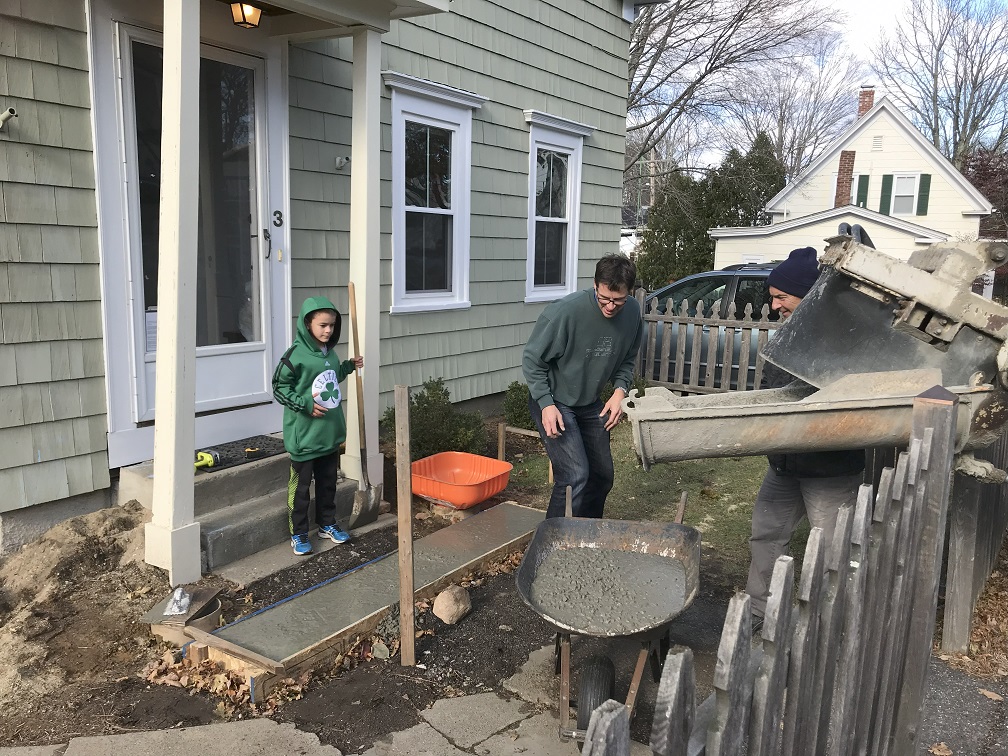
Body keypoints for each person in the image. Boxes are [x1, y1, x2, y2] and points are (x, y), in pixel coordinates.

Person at [747, 246, 865, 628]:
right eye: (773, 298)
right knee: (766, 533)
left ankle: (830, 625)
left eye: (781, 296)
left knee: (832, 550)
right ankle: (760, 613)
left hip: (830, 468)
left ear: (806, 292)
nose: (775, 306)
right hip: (785, 464)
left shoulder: (841, 339)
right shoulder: (787, 335)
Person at [522, 254, 644, 519]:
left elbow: (628, 358)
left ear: (629, 292)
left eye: (618, 300)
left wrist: (620, 391)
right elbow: (532, 360)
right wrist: (546, 404)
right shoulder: (564, 312)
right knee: (574, 476)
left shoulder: (633, 313)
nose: (610, 306)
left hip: (589, 403)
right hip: (555, 399)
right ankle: (553, 539)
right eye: (604, 298)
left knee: (602, 476)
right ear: (595, 285)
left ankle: (587, 533)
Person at [272, 296, 364, 555]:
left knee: (328, 484)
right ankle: (299, 533)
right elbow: (279, 388)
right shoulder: (294, 356)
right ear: (307, 324)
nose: (328, 331)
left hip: (329, 434)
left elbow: (330, 379)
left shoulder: (329, 352)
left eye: (332, 325)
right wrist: (305, 404)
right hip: (305, 437)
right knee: (300, 490)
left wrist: (348, 366)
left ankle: (327, 523)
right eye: (322, 325)